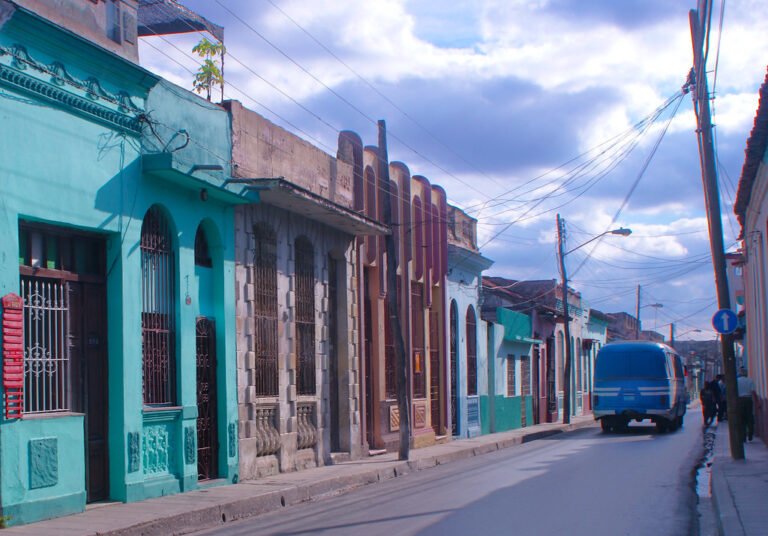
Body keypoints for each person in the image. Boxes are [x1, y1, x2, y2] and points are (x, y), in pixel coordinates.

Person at [737, 367, 757, 442]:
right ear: (746, 374)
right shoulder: (750, 380)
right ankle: (750, 434)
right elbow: (753, 392)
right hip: (748, 400)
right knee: (749, 417)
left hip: (740, 400)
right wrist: (757, 402)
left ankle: (743, 436)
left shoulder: (737, 381)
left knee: (742, 419)